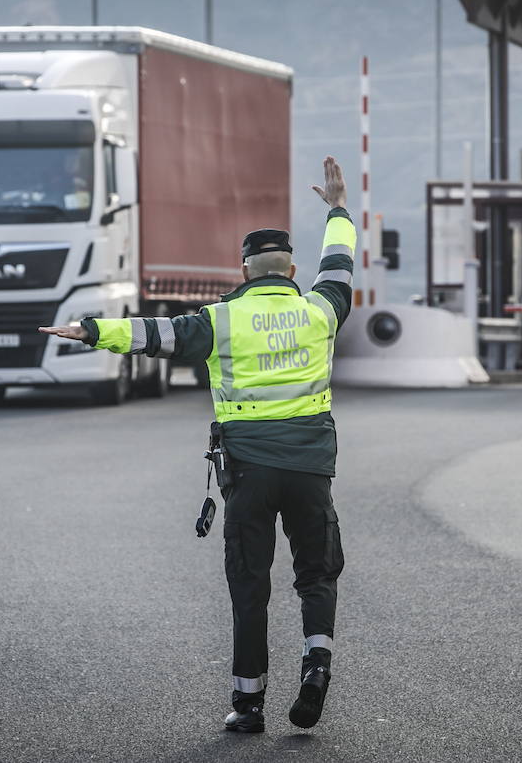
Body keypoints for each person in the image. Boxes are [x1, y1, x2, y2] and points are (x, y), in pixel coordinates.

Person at [40, 155, 356, 733]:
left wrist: (89, 330)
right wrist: (337, 210)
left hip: (250, 471)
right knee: (317, 573)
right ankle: (317, 659)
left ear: (244, 271)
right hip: (312, 467)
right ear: (291, 272)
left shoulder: (221, 321)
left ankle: (249, 703)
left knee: (249, 586)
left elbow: (152, 335)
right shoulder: (321, 312)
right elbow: (339, 266)